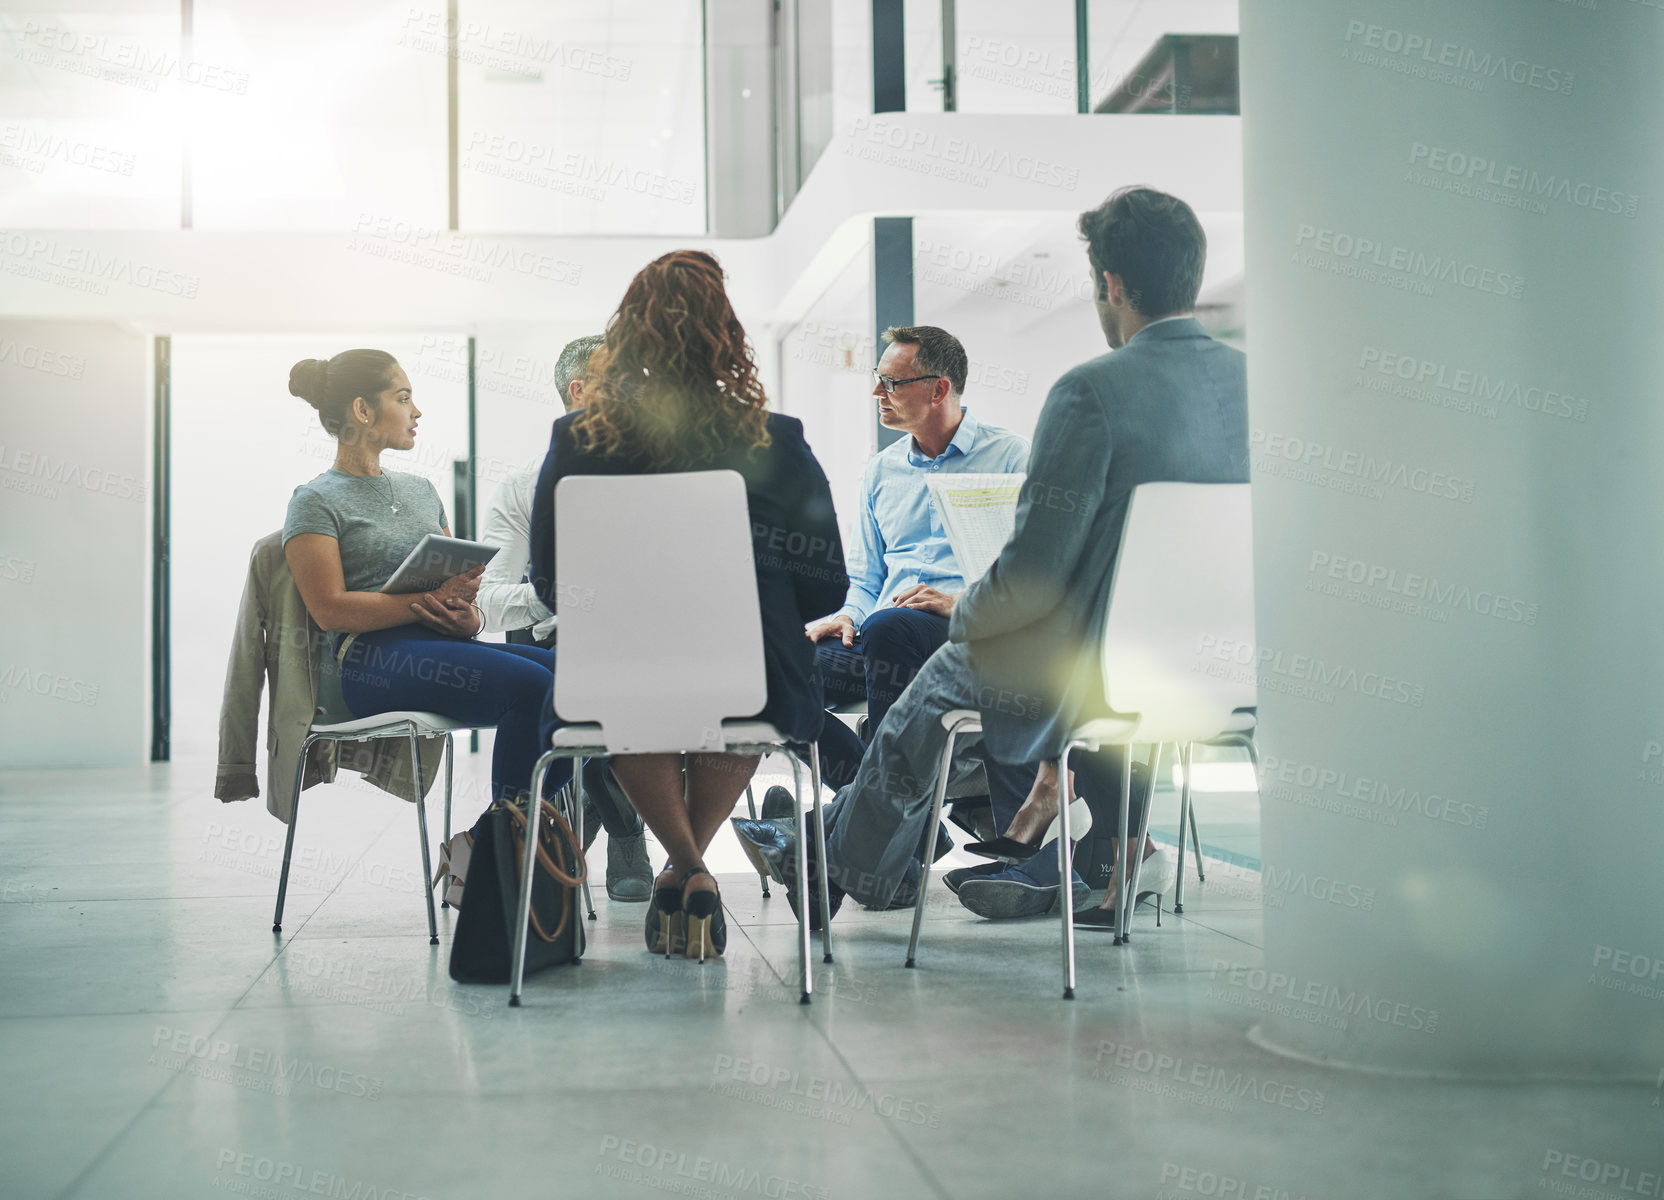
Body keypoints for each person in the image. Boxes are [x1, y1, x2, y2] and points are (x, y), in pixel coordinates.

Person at [734, 185, 1244, 926]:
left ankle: (842, 864)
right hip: (1226, 666)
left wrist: (966, 609)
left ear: (1111, 284)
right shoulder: (1259, 388)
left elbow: (1032, 575)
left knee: (948, 668)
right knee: (926, 655)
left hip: (1099, 665)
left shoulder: (1090, 394)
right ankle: (852, 854)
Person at [527, 249, 847, 961]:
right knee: (736, 701)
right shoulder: (777, 438)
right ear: (726, 334)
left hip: (612, 683)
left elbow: (551, 584)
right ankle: (688, 869)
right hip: (755, 680)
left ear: (628, 336)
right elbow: (827, 587)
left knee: (638, 692)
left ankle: (686, 867)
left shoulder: (576, 439)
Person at [282, 349, 568, 810]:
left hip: (446, 644)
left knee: (588, 688)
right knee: (534, 688)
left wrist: (467, 618)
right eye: (403, 398)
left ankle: (491, 840)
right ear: (362, 409)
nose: (416, 412)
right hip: (372, 662)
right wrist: (428, 600)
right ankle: (513, 836)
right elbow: (329, 608)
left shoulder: (422, 491)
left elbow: (458, 590)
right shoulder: (315, 500)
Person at [804, 326, 1028, 793]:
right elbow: (866, 577)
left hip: (964, 630)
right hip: (884, 631)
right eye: (878, 379)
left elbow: (1030, 570)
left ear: (938, 388)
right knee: (783, 673)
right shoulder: (881, 470)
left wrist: (961, 600)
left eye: (891, 382)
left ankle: (886, 827)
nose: (876, 392)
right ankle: (879, 804)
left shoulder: (1011, 458)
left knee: (890, 629)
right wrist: (847, 615)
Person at [474, 334, 654, 904]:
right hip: (566, 646)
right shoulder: (524, 486)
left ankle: (591, 798)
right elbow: (490, 603)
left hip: (657, 638)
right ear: (581, 392)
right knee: (589, 673)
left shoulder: (665, 471)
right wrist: (563, 595)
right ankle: (625, 826)